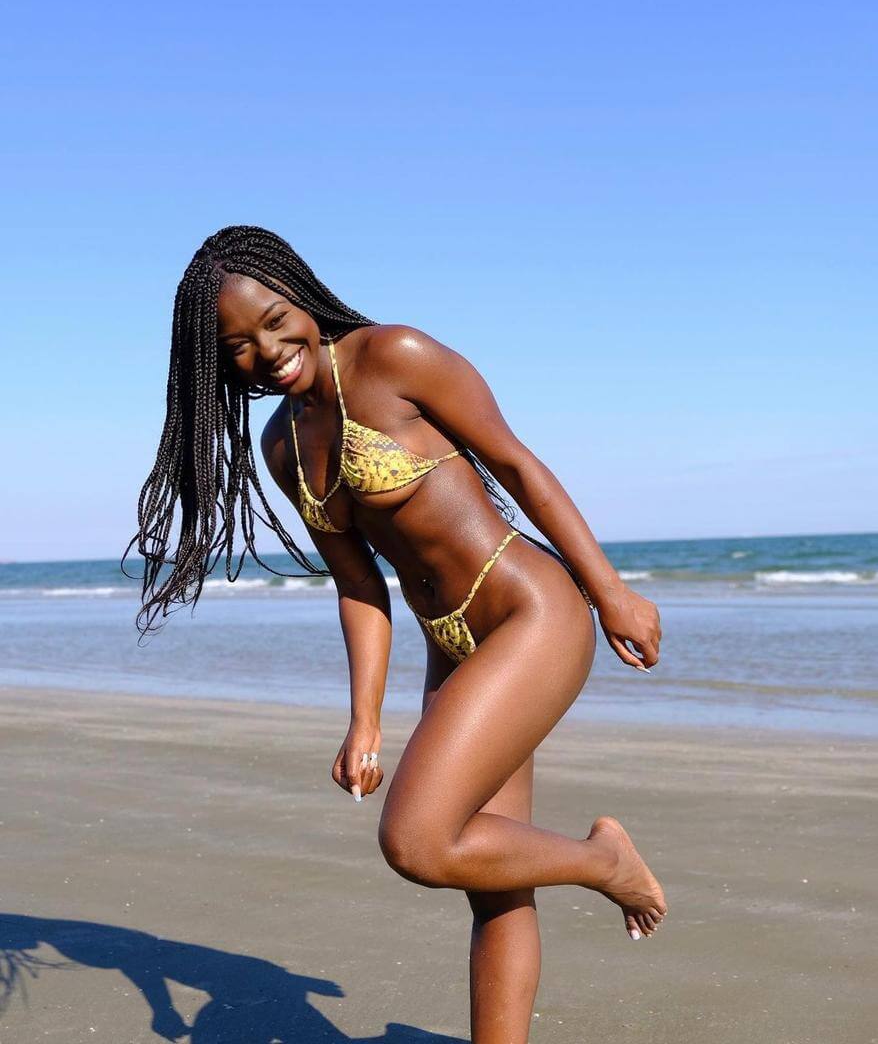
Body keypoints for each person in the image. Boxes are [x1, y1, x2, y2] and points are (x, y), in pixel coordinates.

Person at [123, 224, 667, 1044]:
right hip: (450, 643)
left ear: (302, 295)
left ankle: (604, 862)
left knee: (418, 840)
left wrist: (611, 590)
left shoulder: (395, 356)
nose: (268, 352)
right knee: (492, 879)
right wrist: (364, 722)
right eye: (238, 347)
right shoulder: (282, 444)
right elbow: (358, 585)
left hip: (530, 611)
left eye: (275, 321)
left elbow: (518, 465)